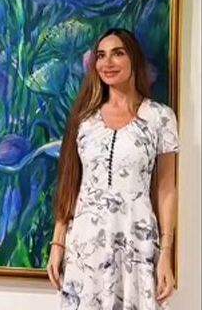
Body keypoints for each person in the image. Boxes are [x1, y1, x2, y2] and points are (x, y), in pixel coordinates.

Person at [47, 28, 178, 309]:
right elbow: (70, 183)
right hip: (86, 243)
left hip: (137, 240)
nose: (107, 63)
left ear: (134, 60)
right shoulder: (84, 119)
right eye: (101, 55)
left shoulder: (160, 117)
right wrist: (58, 243)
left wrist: (167, 253)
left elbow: (167, 188)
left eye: (118, 53)